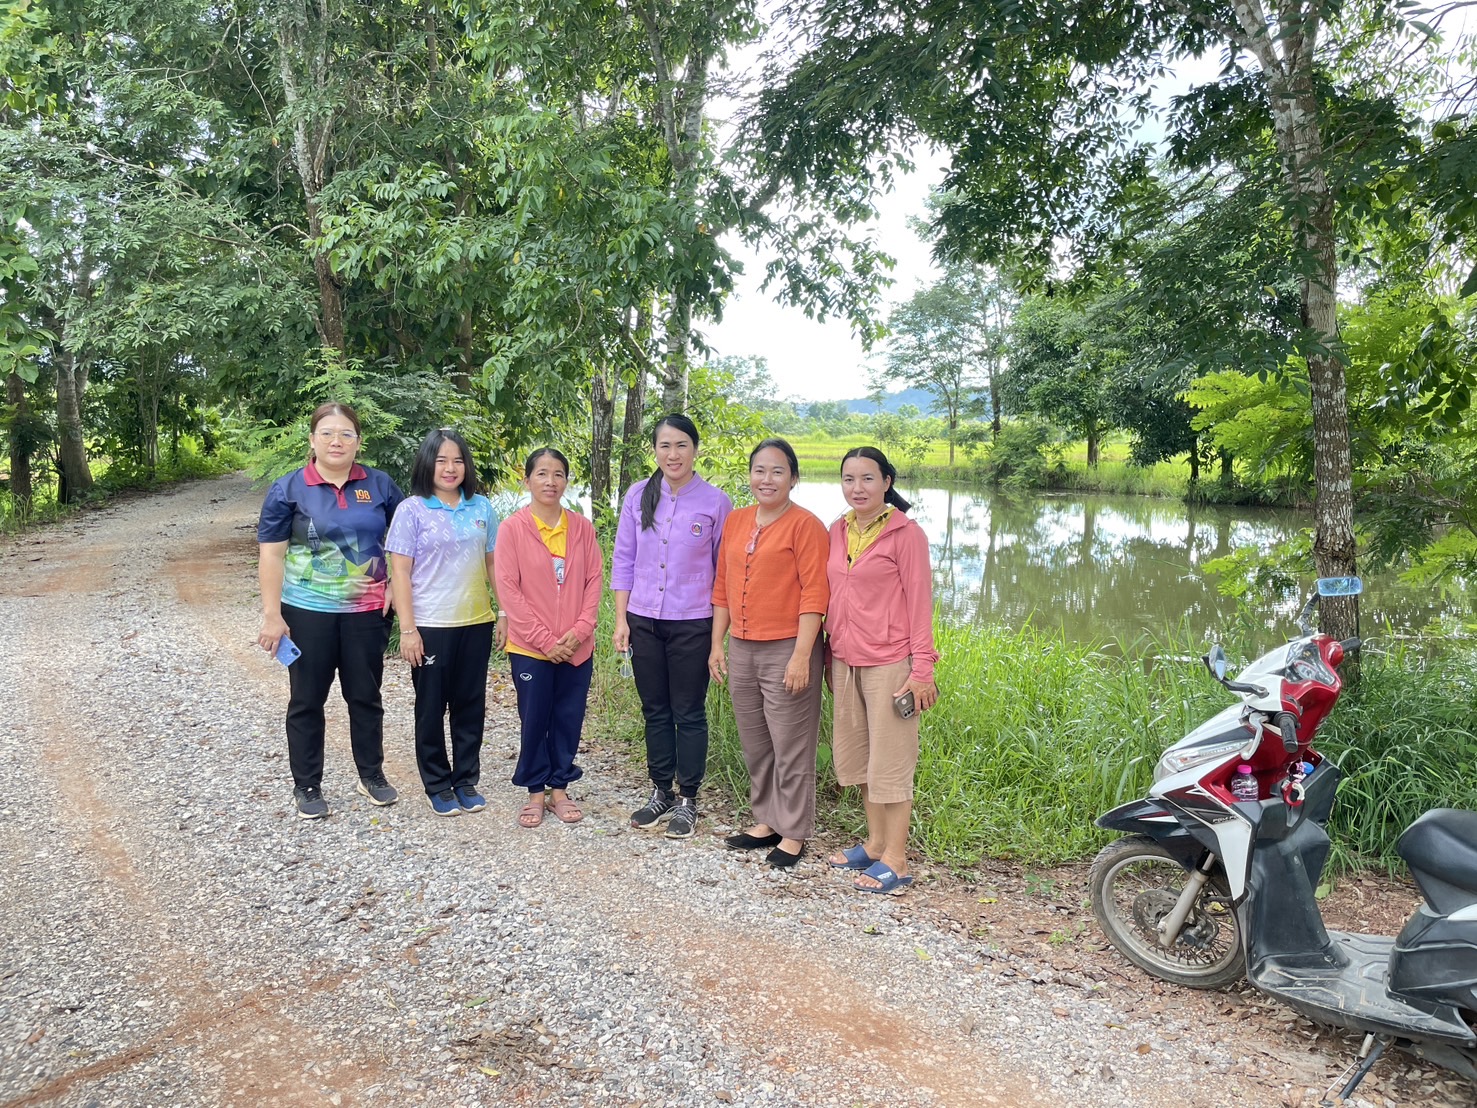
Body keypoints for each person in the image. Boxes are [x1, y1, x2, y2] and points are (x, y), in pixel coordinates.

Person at [256, 402, 405, 819]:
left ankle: (371, 775)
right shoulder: (288, 489)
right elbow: (271, 556)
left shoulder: (380, 485)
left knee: (365, 695)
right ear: (312, 440)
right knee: (307, 699)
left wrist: (395, 584)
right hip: (306, 611)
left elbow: (405, 542)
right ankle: (307, 785)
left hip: (367, 611)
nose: (336, 441)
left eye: (345, 434)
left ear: (358, 442)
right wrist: (272, 614)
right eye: (327, 433)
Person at [709, 438, 829, 867]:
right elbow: (722, 586)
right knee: (756, 741)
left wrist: (801, 655)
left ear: (793, 478)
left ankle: (793, 831)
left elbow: (815, 593)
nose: (767, 479)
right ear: (750, 475)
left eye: (778, 471)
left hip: (788, 647)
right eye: (759, 470)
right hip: (742, 646)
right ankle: (767, 820)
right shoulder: (737, 520)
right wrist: (717, 644)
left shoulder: (806, 525)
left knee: (790, 743)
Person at [612, 414, 733, 840]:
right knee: (655, 710)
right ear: (655, 450)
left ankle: (688, 798)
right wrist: (621, 620)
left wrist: (717, 640)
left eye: (681, 445)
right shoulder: (637, 495)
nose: (673, 454)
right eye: (665, 445)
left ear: (695, 449)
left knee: (689, 711)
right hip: (643, 620)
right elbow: (623, 559)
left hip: (693, 622)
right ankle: (661, 791)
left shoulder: (716, 502)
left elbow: (723, 576)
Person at [823, 446, 939, 893]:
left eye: (868, 478)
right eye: (849, 479)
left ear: (887, 482)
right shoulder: (837, 530)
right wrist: (827, 655)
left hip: (890, 663)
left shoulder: (906, 534)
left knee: (891, 763)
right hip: (845, 660)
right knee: (861, 759)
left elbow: (920, 604)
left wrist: (922, 668)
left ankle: (897, 859)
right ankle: (874, 845)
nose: (858, 488)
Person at [386, 428, 505, 817]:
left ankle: (466, 780)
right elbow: (400, 573)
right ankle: (437, 784)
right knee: (431, 707)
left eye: (457, 460)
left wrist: (504, 612)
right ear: (427, 464)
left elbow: (494, 564)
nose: (450, 468)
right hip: (430, 625)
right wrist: (408, 630)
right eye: (441, 460)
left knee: (470, 705)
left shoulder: (481, 507)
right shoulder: (411, 510)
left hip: (476, 622)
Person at [494, 448, 603, 828]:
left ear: (566, 481)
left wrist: (580, 631)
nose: (550, 481)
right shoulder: (512, 529)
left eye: (558, 474)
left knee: (568, 717)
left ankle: (560, 788)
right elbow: (508, 588)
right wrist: (545, 640)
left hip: (576, 646)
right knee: (535, 718)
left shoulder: (582, 528)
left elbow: (594, 580)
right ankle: (535, 792)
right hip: (529, 647)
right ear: (527, 481)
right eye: (542, 473)